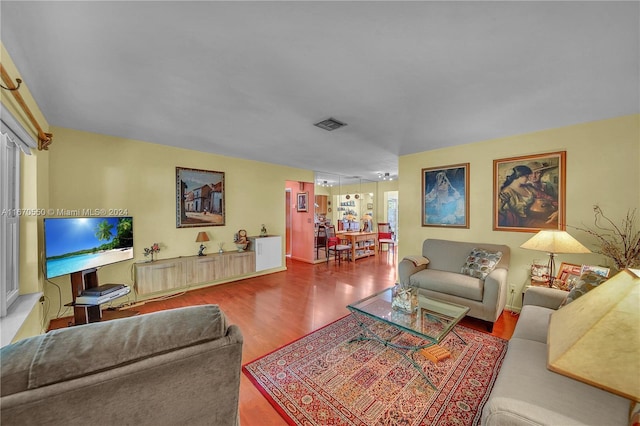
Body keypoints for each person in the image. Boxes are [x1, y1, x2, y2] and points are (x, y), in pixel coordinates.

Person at [525, 161, 559, 227]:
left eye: (537, 173)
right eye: (531, 173)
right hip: (534, 221)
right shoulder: (525, 188)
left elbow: (560, 202)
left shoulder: (550, 186)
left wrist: (559, 212)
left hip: (552, 217)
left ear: (542, 174)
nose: (534, 176)